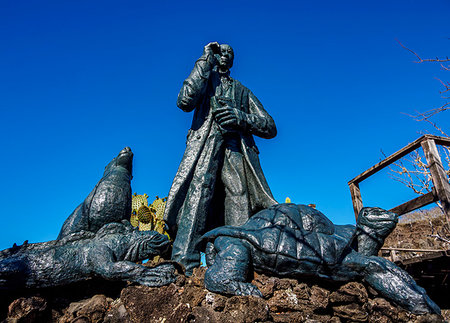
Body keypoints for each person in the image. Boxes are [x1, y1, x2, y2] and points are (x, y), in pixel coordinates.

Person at [164, 42, 277, 274]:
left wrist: (241, 117)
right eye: (220, 52)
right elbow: (185, 100)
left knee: (239, 199)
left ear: (233, 60)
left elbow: (270, 126)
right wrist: (205, 60)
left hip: (236, 152)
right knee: (198, 195)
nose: (224, 55)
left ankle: (237, 262)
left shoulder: (243, 91)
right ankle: (183, 262)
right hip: (206, 147)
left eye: (229, 53)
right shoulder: (205, 80)